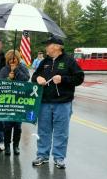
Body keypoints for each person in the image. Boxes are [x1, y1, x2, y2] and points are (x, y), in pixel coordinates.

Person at [31, 36, 84, 169]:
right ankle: (42, 155)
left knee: (61, 132)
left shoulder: (69, 61)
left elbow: (79, 78)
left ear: (56, 46)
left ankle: (59, 158)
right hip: (44, 102)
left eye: (48, 45)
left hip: (63, 103)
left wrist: (63, 79)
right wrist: (38, 78)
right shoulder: (44, 62)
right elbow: (34, 76)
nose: (46, 48)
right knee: (43, 130)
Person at [0, 50, 30, 156]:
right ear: (7, 59)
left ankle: (16, 146)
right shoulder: (4, 69)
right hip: (7, 102)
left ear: (17, 58)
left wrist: (16, 71)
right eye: (10, 58)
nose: (13, 60)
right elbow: (0, 83)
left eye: (15, 58)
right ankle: (7, 146)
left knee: (18, 126)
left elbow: (26, 79)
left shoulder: (22, 68)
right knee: (7, 125)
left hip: (19, 102)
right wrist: (9, 78)